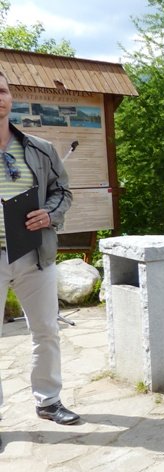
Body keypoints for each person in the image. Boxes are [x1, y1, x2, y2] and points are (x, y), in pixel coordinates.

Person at [0, 70, 78, 438]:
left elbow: (63, 191)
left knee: (46, 330)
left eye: (2, 91)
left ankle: (48, 401)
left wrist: (49, 213)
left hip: (35, 254)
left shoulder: (40, 148)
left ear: (10, 97)